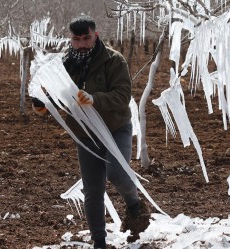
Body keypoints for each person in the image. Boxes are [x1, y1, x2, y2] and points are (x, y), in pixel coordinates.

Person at [32, 15, 150, 249]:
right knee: (93, 189)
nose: (83, 43)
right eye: (77, 39)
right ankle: (99, 242)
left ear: (95, 36)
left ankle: (135, 205)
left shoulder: (114, 61)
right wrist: (42, 104)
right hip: (86, 134)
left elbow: (122, 96)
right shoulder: (64, 65)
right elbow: (56, 95)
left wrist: (95, 99)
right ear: (71, 39)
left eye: (87, 38)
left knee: (116, 172)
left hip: (115, 128)